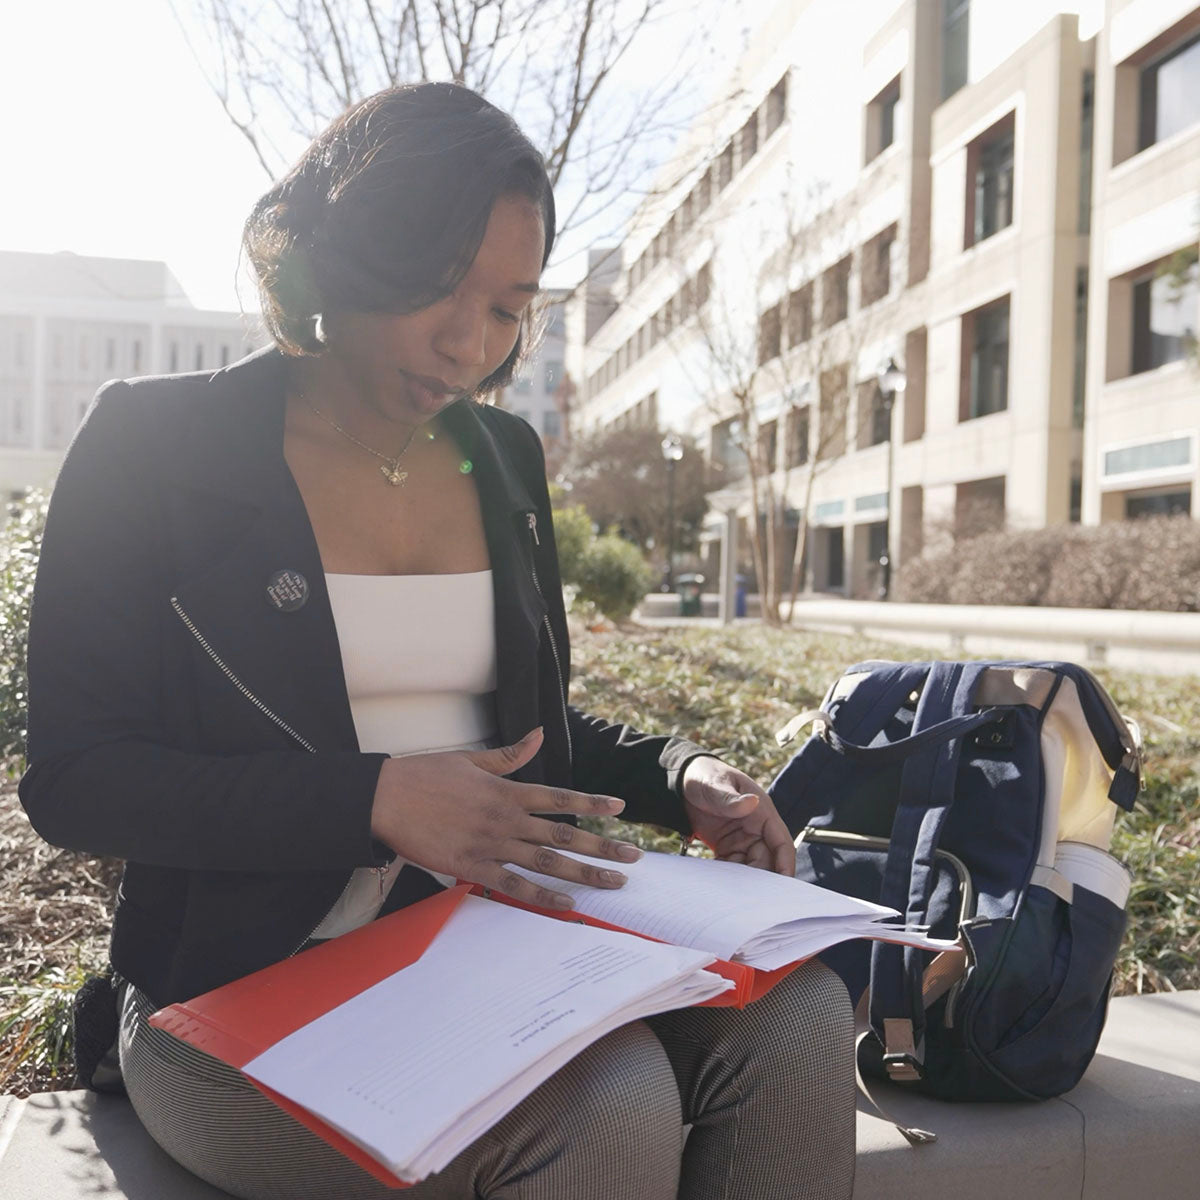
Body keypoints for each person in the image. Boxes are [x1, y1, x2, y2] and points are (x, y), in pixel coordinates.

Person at [19, 83, 854, 1200]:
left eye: (509, 309)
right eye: (436, 289)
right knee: (608, 1110)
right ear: (346, 250)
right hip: (230, 983)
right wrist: (369, 799)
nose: (469, 344)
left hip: (491, 951)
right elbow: (78, 781)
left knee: (798, 1014)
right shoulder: (155, 444)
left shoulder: (502, 458)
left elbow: (518, 737)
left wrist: (679, 773)